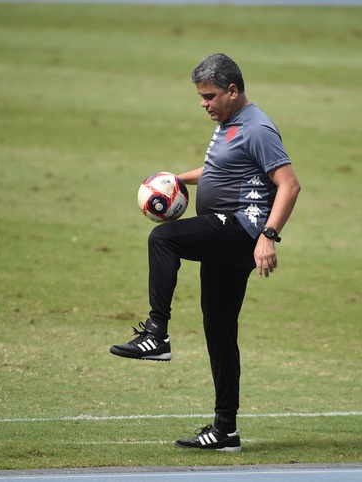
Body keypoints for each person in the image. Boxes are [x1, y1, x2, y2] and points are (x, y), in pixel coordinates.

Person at [110, 53, 301, 452]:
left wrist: (268, 235)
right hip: (224, 236)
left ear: (233, 91)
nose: (204, 103)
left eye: (210, 96)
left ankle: (156, 334)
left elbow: (289, 184)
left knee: (163, 239)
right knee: (219, 329)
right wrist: (176, 179)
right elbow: (218, 171)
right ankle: (225, 429)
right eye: (201, 96)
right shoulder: (228, 124)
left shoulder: (258, 128)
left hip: (240, 228)